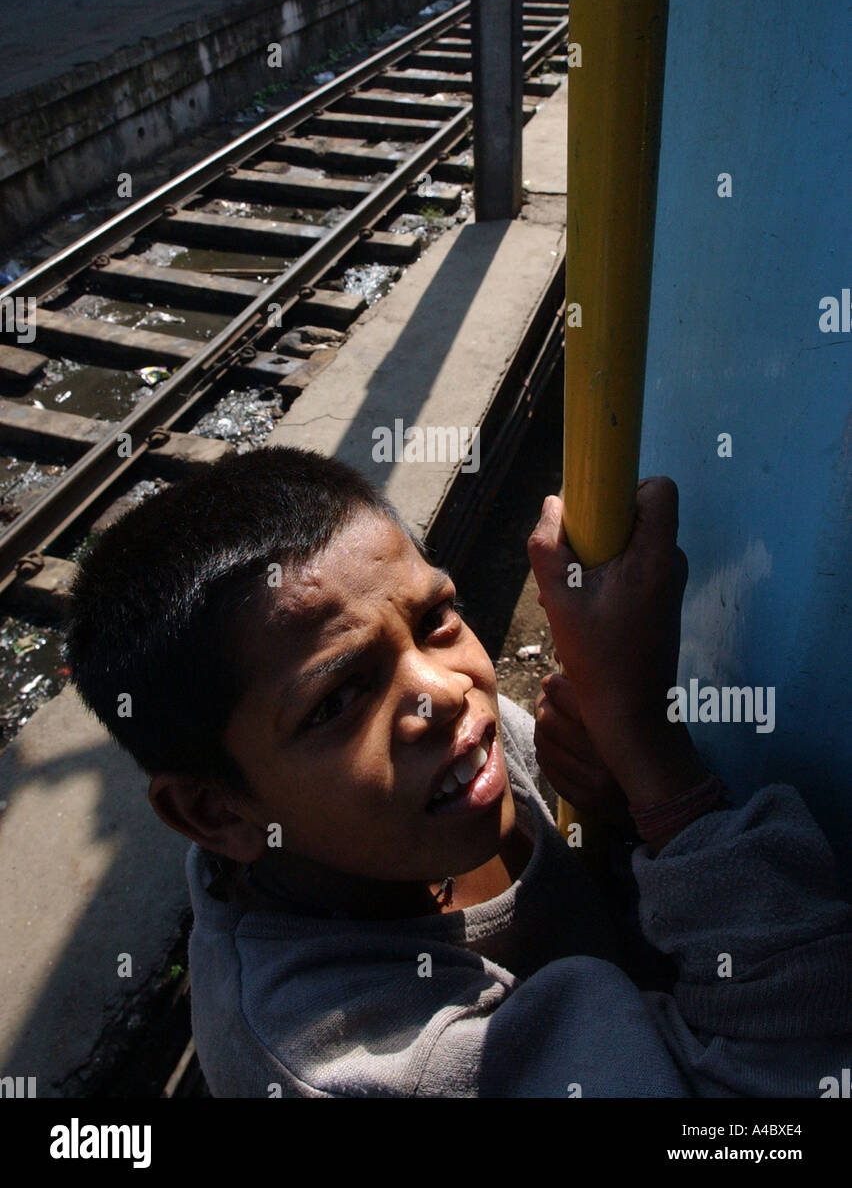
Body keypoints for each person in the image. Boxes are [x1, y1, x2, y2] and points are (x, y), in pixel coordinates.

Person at [66, 446, 852, 1097]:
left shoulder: (432, 779)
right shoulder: (365, 1067)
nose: (447, 692)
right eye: (339, 698)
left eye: (434, 619)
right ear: (215, 813)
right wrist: (661, 775)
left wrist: (616, 819)